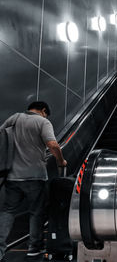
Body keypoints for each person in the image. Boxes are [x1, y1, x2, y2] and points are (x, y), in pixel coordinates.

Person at [0, 101, 67, 260]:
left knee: (8, 212)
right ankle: (33, 248)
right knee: (36, 213)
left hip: (12, 176)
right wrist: (60, 161)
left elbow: (1, 135)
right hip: (35, 176)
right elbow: (52, 144)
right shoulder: (43, 122)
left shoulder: (14, 118)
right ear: (44, 111)